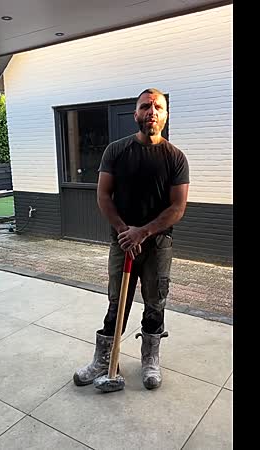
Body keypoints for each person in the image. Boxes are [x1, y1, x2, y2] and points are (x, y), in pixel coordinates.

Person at [73, 88, 189, 390]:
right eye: (146, 106)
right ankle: (104, 360)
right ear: (136, 113)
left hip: (158, 245)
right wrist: (126, 231)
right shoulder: (116, 151)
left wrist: (143, 232)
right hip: (122, 242)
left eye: (158, 107)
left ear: (165, 115)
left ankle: (150, 359)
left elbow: (177, 207)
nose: (152, 111)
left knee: (155, 302)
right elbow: (103, 195)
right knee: (117, 302)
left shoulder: (176, 158)